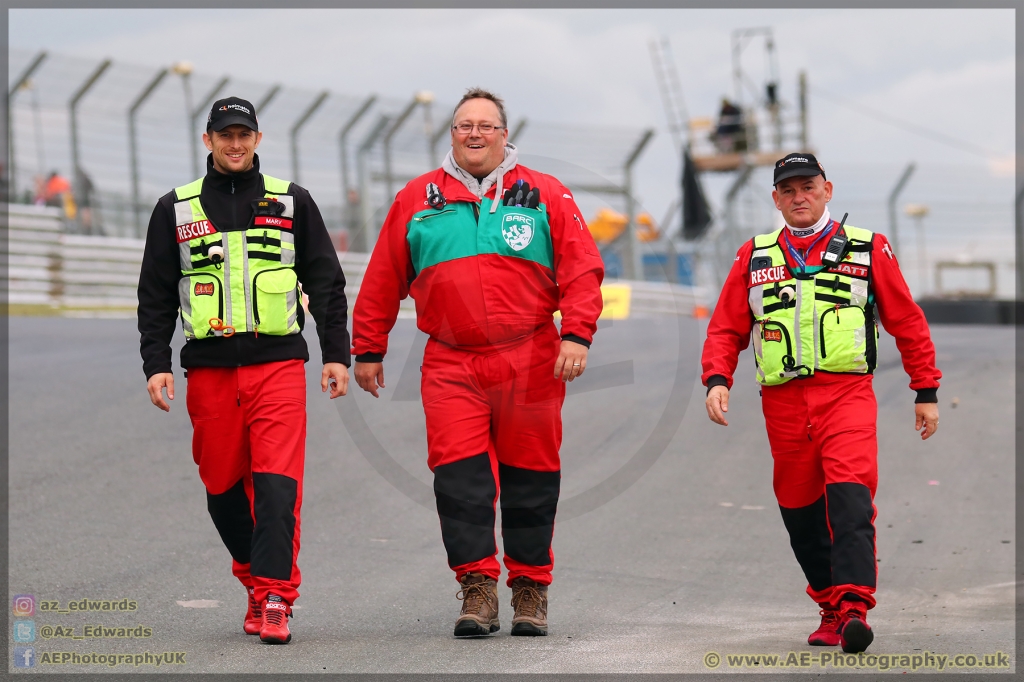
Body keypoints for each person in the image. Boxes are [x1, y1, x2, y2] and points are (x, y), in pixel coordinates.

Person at [351, 88, 604, 638]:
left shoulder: (545, 194)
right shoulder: (417, 199)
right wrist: (368, 348)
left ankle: (531, 588)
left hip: (532, 356)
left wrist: (577, 335)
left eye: (486, 125)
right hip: (450, 362)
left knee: (530, 479)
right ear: (451, 134)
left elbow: (582, 269)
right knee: (459, 481)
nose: (474, 134)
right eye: (464, 125)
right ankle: (477, 588)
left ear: (504, 135)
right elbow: (382, 278)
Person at [701, 153, 941, 654]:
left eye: (808, 187)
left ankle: (855, 607)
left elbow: (907, 321)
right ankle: (829, 605)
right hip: (783, 403)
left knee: (850, 498)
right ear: (776, 199)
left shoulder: (869, 247)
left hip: (846, 395)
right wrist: (717, 378)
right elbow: (726, 326)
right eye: (788, 191)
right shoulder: (754, 254)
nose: (799, 197)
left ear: (827, 191)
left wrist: (926, 390)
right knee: (799, 511)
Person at [137, 96, 351, 645]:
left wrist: (335, 353)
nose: (236, 144)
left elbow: (326, 281)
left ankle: (277, 595)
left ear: (258, 140)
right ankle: (256, 584)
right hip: (207, 372)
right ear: (207, 140)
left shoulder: (292, 200)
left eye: (244, 134)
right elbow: (155, 295)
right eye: (225, 135)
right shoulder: (173, 208)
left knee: (278, 486)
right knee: (222, 488)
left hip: (277, 364)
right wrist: (155, 364)